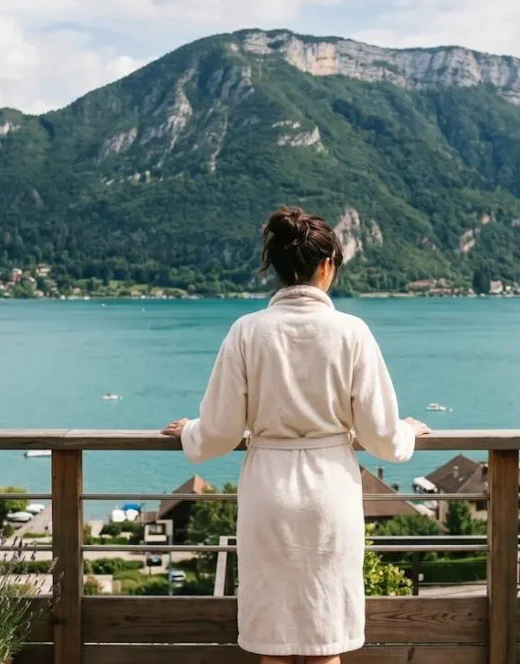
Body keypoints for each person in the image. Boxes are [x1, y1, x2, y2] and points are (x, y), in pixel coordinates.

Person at [162, 206, 429, 664]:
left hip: (269, 491)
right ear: (327, 266)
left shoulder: (246, 332)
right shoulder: (352, 333)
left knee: (274, 641)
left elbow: (221, 432)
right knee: (327, 641)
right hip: (330, 493)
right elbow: (380, 436)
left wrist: (192, 431)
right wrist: (405, 431)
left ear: (280, 271)